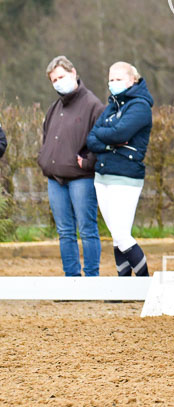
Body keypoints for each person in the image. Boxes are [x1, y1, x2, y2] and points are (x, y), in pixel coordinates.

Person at [37, 56, 105, 276]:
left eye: (61, 76)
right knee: (65, 232)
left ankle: (91, 278)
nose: (58, 82)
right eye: (54, 80)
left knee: (87, 230)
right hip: (55, 179)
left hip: (81, 178)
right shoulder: (54, 107)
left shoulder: (93, 105)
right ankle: (71, 278)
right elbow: (46, 137)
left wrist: (89, 162)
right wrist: (44, 158)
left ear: (73, 72)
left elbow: (102, 141)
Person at [86, 62, 154, 277]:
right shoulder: (112, 106)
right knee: (117, 237)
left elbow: (120, 133)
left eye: (119, 79)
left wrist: (107, 135)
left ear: (132, 80)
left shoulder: (140, 106)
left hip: (125, 176)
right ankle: (123, 284)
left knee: (122, 235)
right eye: (111, 79)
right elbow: (91, 138)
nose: (113, 83)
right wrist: (110, 143)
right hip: (102, 176)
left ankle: (144, 283)